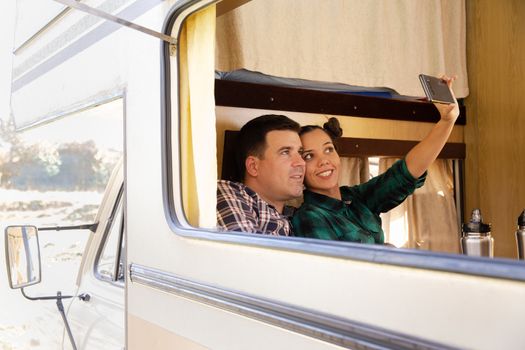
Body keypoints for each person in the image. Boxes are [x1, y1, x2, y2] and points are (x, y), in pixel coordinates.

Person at [292, 76, 460, 244]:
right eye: (309, 156)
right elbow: (336, 269)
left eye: (328, 149)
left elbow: (404, 174)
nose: (324, 161)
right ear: (300, 168)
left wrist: (447, 121)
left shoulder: (356, 198)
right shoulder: (308, 217)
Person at [216, 114, 305, 236]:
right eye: (285, 152)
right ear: (253, 166)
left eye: (300, 152)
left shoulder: (298, 217)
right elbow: (246, 253)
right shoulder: (227, 192)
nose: (301, 162)